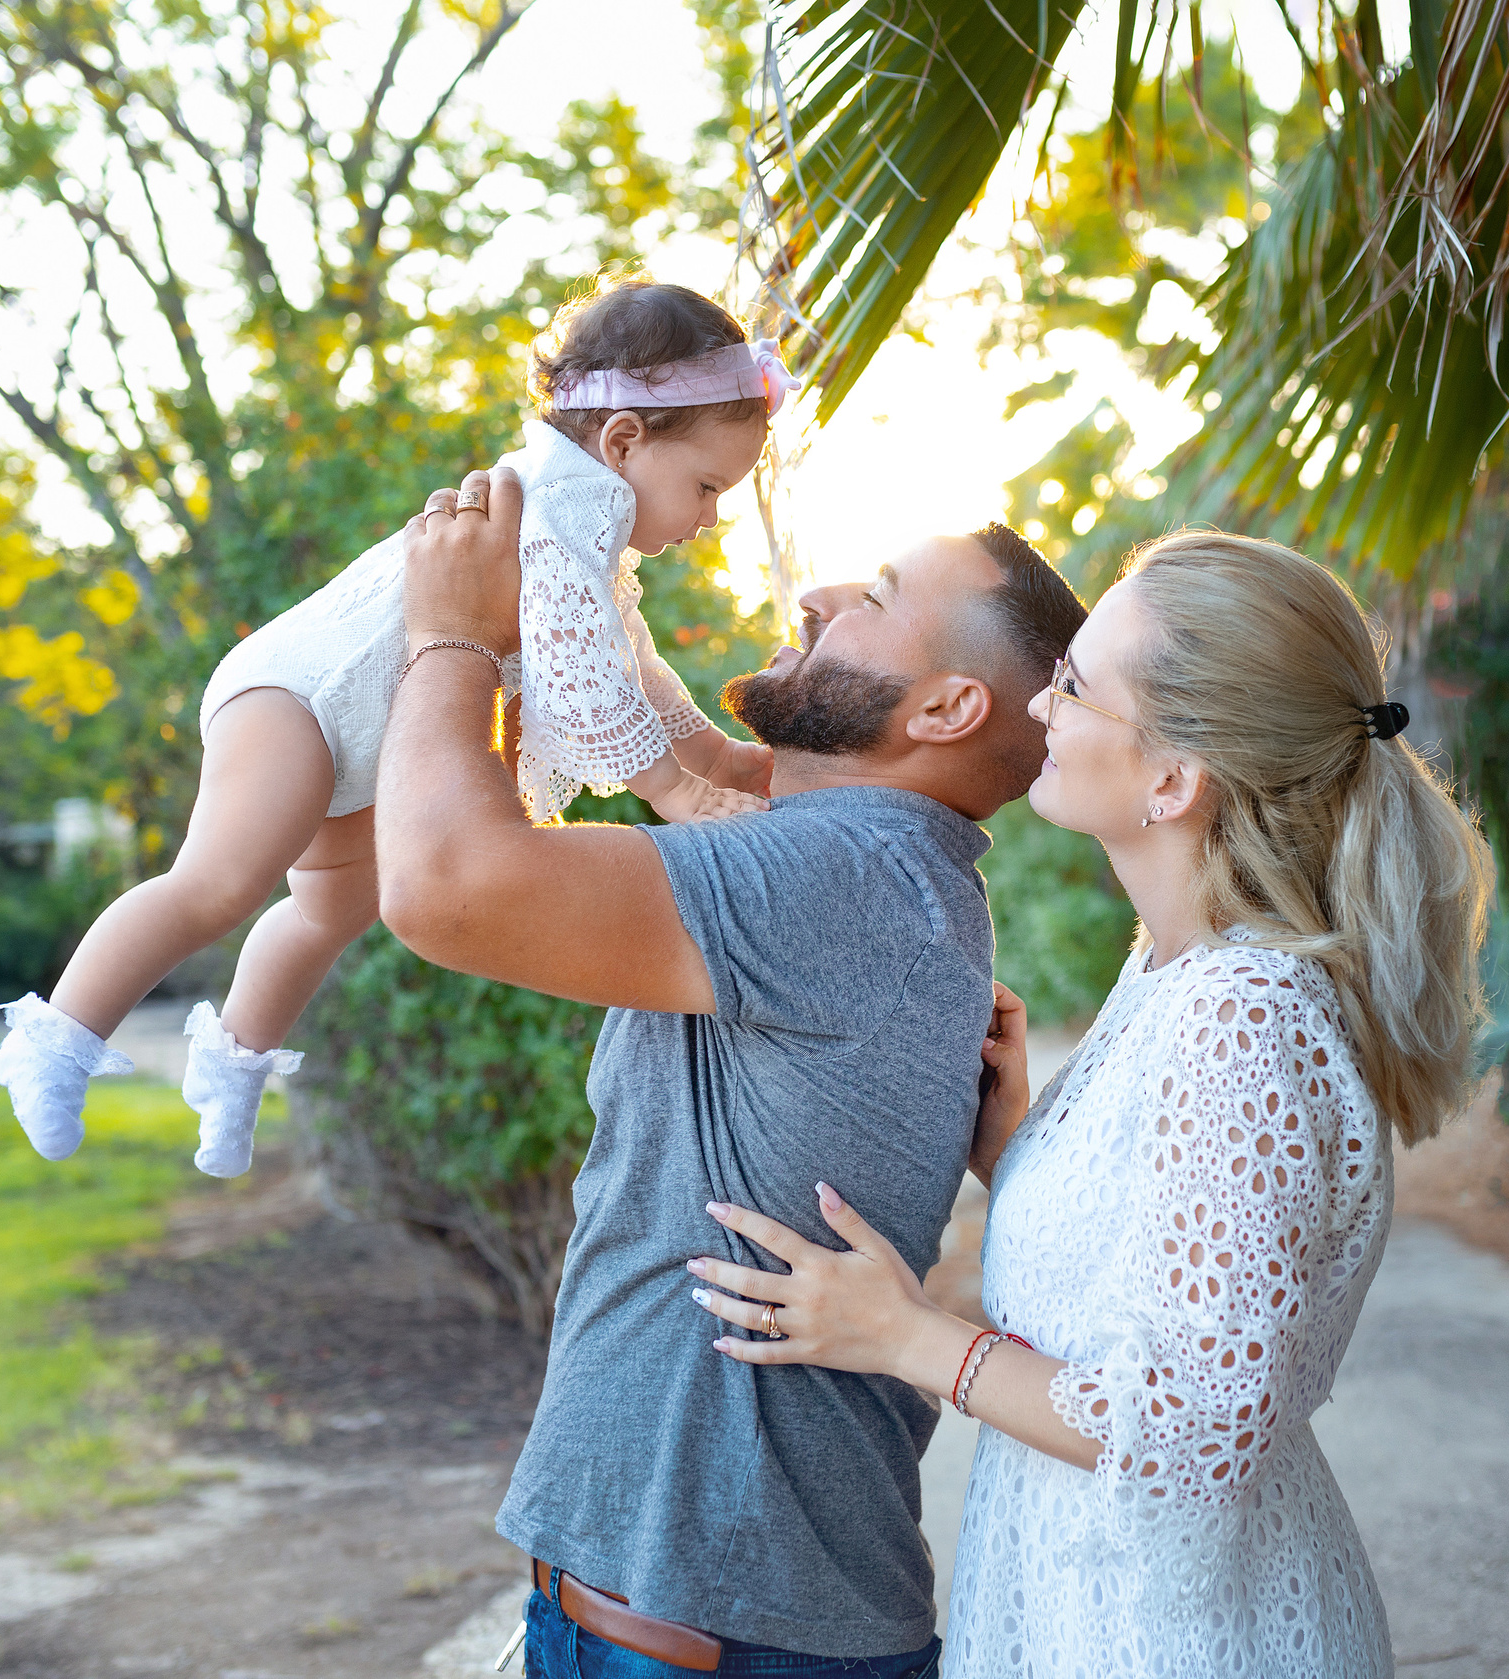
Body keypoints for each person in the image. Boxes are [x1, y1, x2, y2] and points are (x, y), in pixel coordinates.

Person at [683, 531, 1494, 1677]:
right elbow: (1153, 1280)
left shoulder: (1242, 1013)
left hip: (1181, 1635)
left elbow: (1199, 1424)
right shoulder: (1172, 968)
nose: (1039, 705)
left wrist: (909, 1337)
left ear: (1175, 778)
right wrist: (1019, 1147)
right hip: (1100, 1604)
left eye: (1072, 682)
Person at [381, 464, 1088, 1677]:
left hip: (700, 1635)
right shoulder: (875, 867)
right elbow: (687, 750)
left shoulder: (845, 873)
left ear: (946, 707)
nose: (815, 593)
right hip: (713, 1620)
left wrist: (448, 629)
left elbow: (445, 885)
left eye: (872, 594)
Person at [0, 279, 784, 1179]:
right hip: (299, 697)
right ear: (625, 440)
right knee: (219, 882)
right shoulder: (553, 504)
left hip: (359, 743)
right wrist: (677, 788)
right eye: (707, 485)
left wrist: (715, 756)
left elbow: (632, 660)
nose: (710, 518)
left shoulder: (590, 526)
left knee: (330, 908)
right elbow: (583, 667)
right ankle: (54, 1041)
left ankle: (233, 1061)